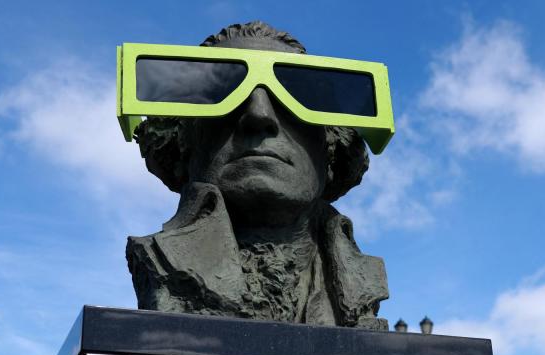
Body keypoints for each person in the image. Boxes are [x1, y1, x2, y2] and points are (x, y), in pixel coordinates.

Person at [127, 21, 389, 329]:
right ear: (183, 144)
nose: (259, 114)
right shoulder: (158, 266)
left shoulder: (360, 283)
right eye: (223, 92)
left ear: (331, 151)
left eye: (296, 95)